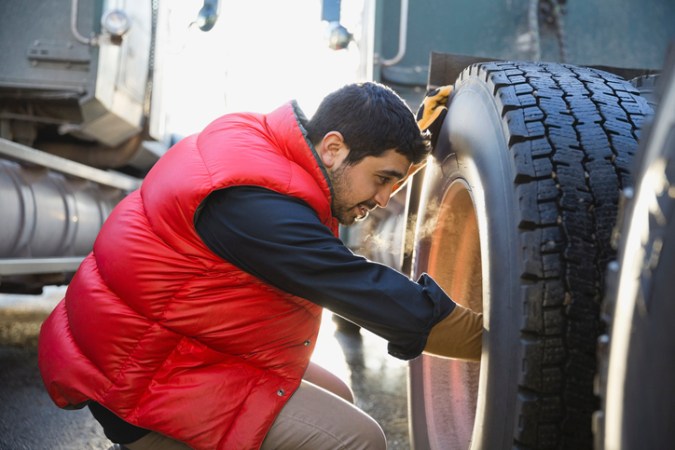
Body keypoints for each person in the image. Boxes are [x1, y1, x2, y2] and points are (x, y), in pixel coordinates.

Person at [38, 81, 482, 450]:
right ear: (332, 148)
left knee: (339, 395)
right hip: (139, 376)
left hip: (165, 342)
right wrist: (497, 340)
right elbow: (362, 288)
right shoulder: (255, 206)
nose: (385, 199)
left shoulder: (265, 151)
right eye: (383, 179)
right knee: (358, 439)